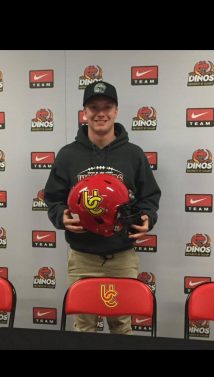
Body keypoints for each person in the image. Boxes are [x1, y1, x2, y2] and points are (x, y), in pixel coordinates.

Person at [44, 81, 161, 335]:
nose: (100, 113)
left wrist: (147, 218)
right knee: (84, 329)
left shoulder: (133, 154)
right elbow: (52, 198)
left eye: (107, 107)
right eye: (93, 107)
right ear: (84, 112)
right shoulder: (67, 155)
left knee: (122, 328)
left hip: (122, 257)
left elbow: (150, 197)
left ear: (116, 111)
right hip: (82, 257)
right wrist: (60, 216)